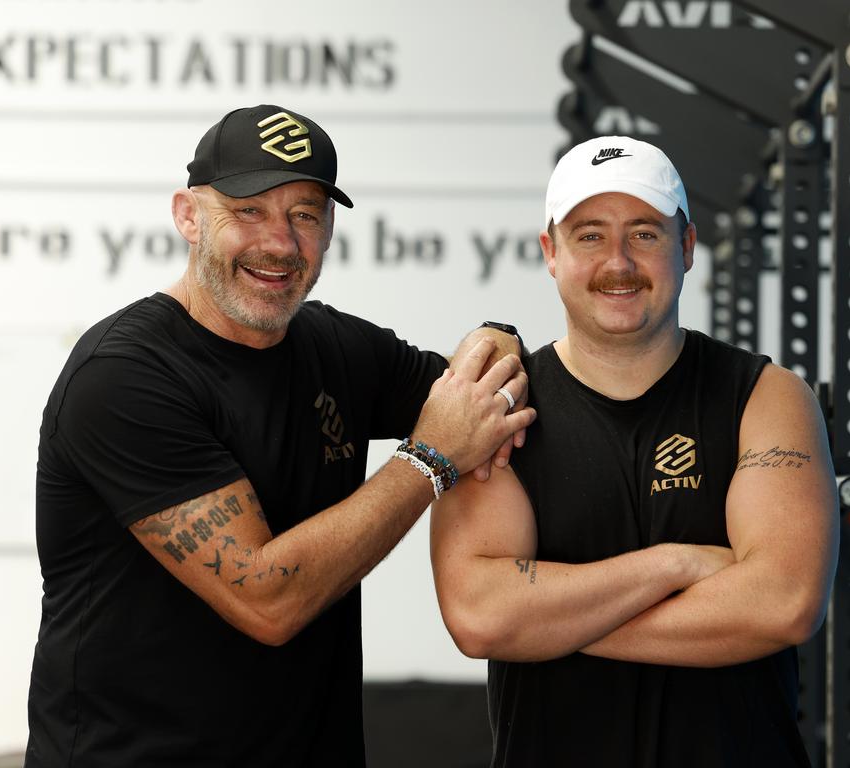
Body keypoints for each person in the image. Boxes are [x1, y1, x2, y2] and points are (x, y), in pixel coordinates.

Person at [26, 104, 535, 767]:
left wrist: (498, 339)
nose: (281, 243)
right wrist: (430, 459)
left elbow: (477, 402)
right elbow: (267, 599)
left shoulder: (337, 347)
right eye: (249, 211)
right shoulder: (123, 376)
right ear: (188, 216)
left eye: (305, 215)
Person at [430, 136, 839, 767]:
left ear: (688, 247)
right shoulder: (498, 412)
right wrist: (676, 566)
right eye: (589, 235)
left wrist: (549, 624)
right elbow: (481, 616)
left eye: (645, 233)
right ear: (550, 252)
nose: (617, 261)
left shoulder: (767, 398)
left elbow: (782, 603)